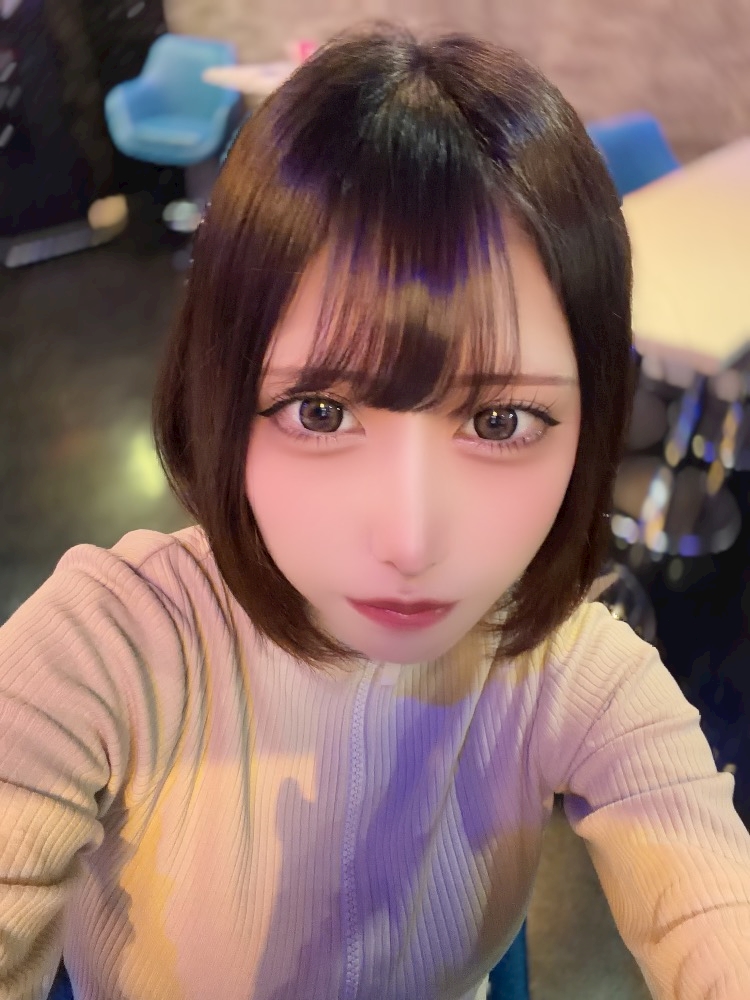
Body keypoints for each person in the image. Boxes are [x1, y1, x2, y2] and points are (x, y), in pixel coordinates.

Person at [1, 23, 749, 1000]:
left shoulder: (570, 671)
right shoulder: (107, 648)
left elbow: (711, 899)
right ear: (217, 393)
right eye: (320, 411)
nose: (409, 539)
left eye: (501, 420)